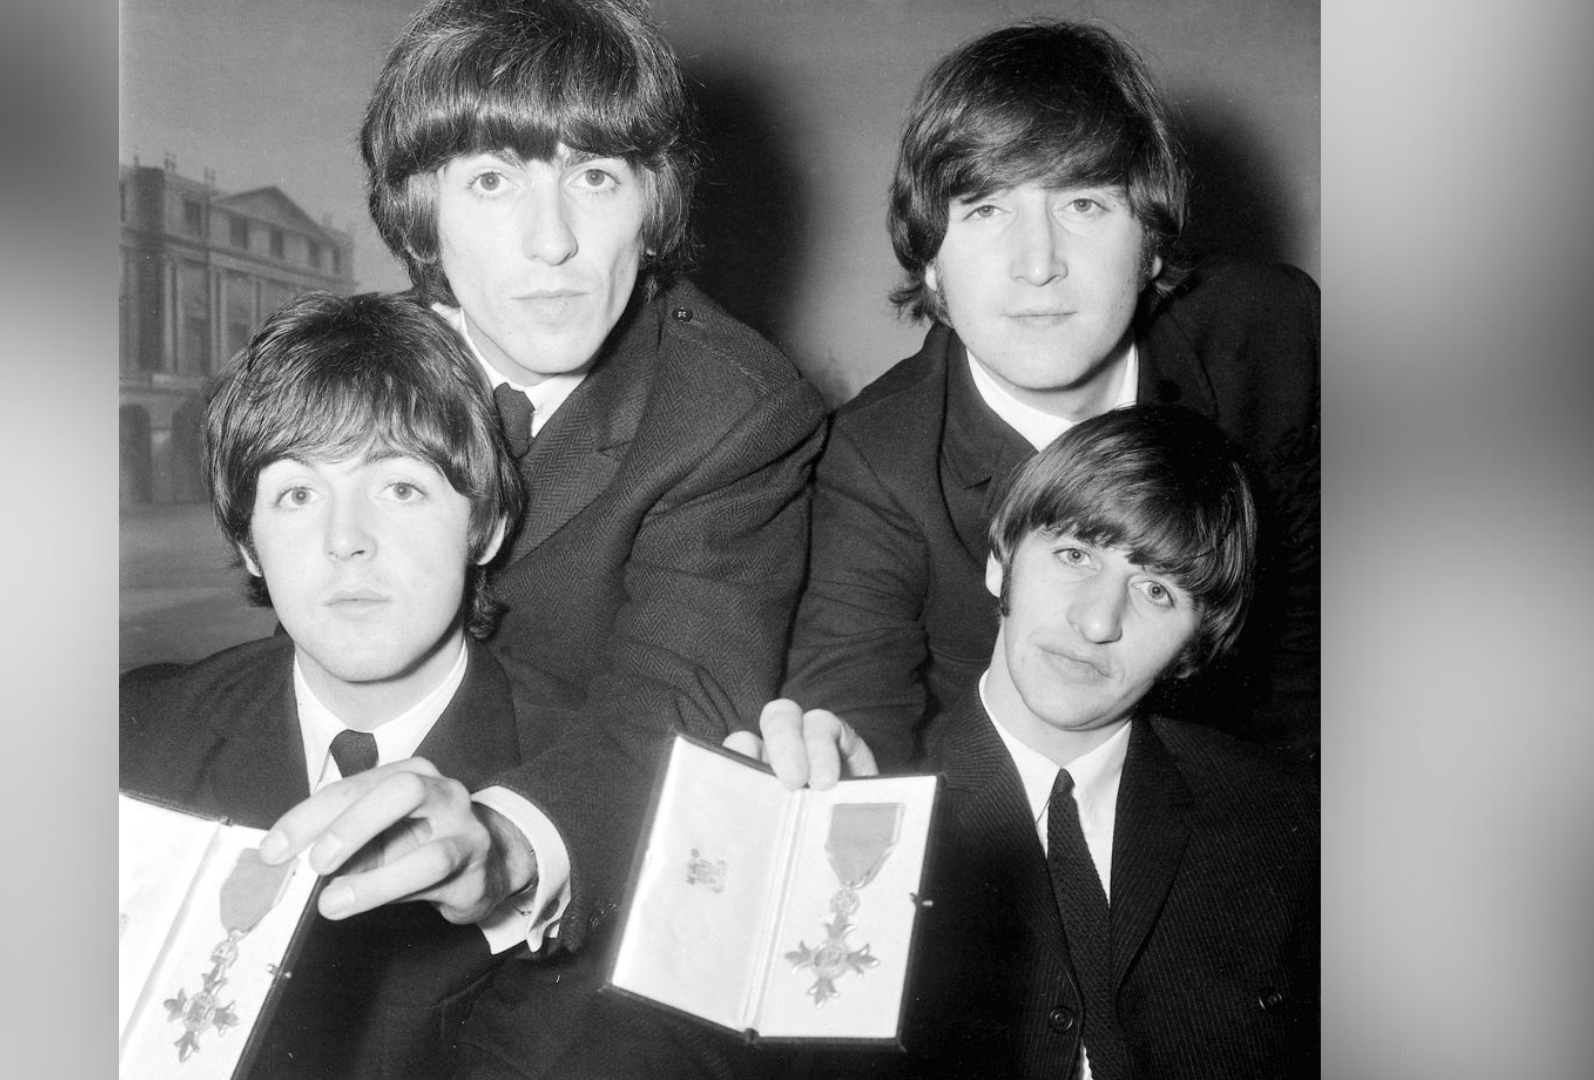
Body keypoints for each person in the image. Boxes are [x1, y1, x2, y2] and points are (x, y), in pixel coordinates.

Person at [257, 1, 826, 1075]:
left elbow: (675, 706)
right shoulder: (349, 378)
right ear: (421, 211)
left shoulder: (734, 411)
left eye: (596, 178)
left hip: (582, 928)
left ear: (653, 204)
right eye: (491, 181)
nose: (552, 241)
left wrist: (508, 843)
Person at [780, 19, 1320, 766]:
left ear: (1151, 243)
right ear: (931, 263)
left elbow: (1316, 656)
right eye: (985, 209)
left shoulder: (1272, 336)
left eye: (1083, 205)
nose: (1037, 265)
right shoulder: (874, 462)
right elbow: (853, 705)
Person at [739, 405, 1318, 1078]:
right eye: (1075, 555)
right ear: (1000, 562)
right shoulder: (869, 806)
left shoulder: (1291, 822)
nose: (1097, 621)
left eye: (1157, 591)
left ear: (1194, 648)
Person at [120, 290, 528, 1078]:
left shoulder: (593, 776)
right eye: (297, 494)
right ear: (249, 543)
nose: (346, 540)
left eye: (400, 487)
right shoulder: (126, 742)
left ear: (485, 525)